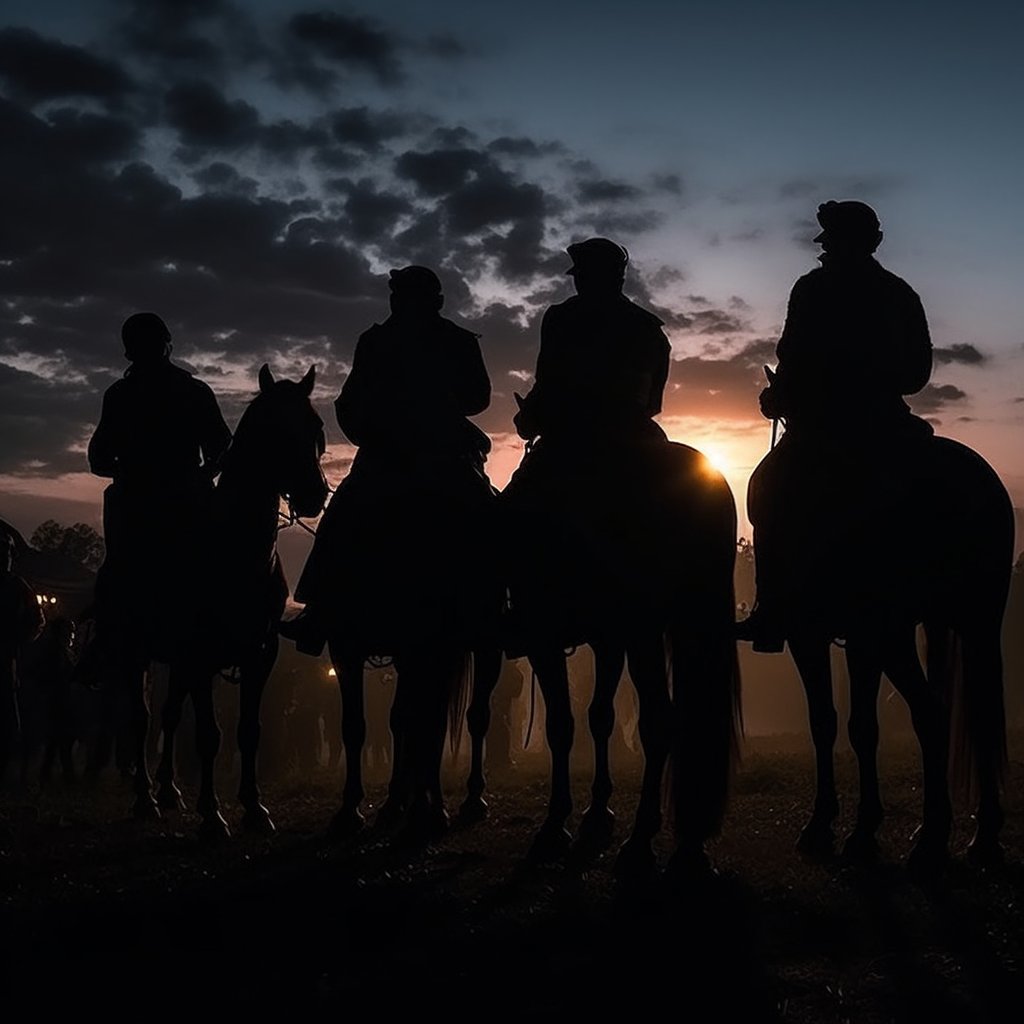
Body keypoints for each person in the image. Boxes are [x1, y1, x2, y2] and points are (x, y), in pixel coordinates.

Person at [740, 200, 934, 651]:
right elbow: (918, 374)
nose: (828, 253)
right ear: (875, 243)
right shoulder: (901, 293)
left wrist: (778, 396)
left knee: (767, 486)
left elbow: (789, 358)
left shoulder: (810, 289)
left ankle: (770, 610)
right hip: (888, 425)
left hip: (825, 428)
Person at [88, 312, 231, 657]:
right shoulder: (194, 390)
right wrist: (204, 472)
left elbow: (99, 459)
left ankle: (103, 640)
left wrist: (127, 471)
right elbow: (221, 447)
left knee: (116, 572)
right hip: (184, 497)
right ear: (167, 344)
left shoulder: (120, 394)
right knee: (222, 560)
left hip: (139, 499)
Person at [0, 531, 46, 783]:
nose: (3, 557)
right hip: (8, 661)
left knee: (6, 725)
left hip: (8, 663)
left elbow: (36, 621)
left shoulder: (17, 586)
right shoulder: (17, 586)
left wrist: (18, 642)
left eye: (5, 552)